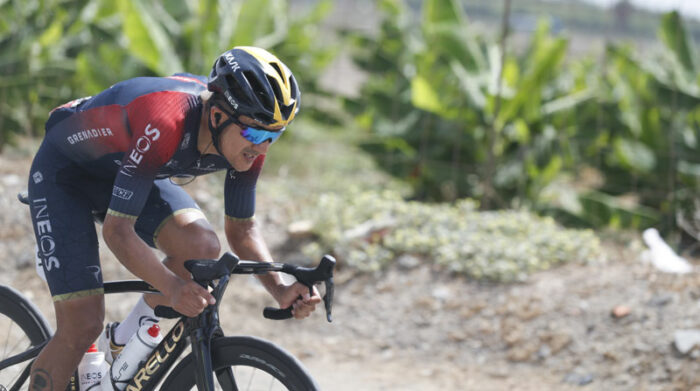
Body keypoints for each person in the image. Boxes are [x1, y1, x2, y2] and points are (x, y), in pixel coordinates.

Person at [26, 46, 321, 390]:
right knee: (82, 325)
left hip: (126, 167)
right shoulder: (166, 121)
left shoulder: (245, 141)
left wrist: (280, 289)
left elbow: (241, 229)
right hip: (66, 173)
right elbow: (117, 232)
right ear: (216, 117)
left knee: (200, 246)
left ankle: (121, 340)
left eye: (275, 135)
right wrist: (173, 287)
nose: (263, 148)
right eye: (256, 134)